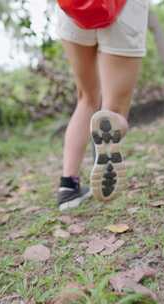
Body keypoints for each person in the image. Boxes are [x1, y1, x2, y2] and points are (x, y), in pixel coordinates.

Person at [55, 0, 149, 210]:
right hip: (124, 9)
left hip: (75, 8)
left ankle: (68, 187)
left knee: (87, 98)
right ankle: (110, 125)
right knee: (114, 110)